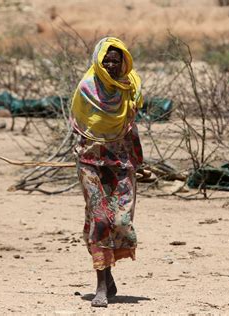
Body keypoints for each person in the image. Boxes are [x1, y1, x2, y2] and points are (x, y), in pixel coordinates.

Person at [70, 37, 143, 308]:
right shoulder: (86, 88)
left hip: (121, 163)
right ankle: (101, 285)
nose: (111, 65)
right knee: (100, 219)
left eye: (116, 60)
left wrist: (140, 162)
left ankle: (109, 275)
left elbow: (132, 128)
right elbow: (78, 125)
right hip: (90, 162)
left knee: (121, 221)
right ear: (98, 61)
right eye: (106, 60)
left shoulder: (129, 88)